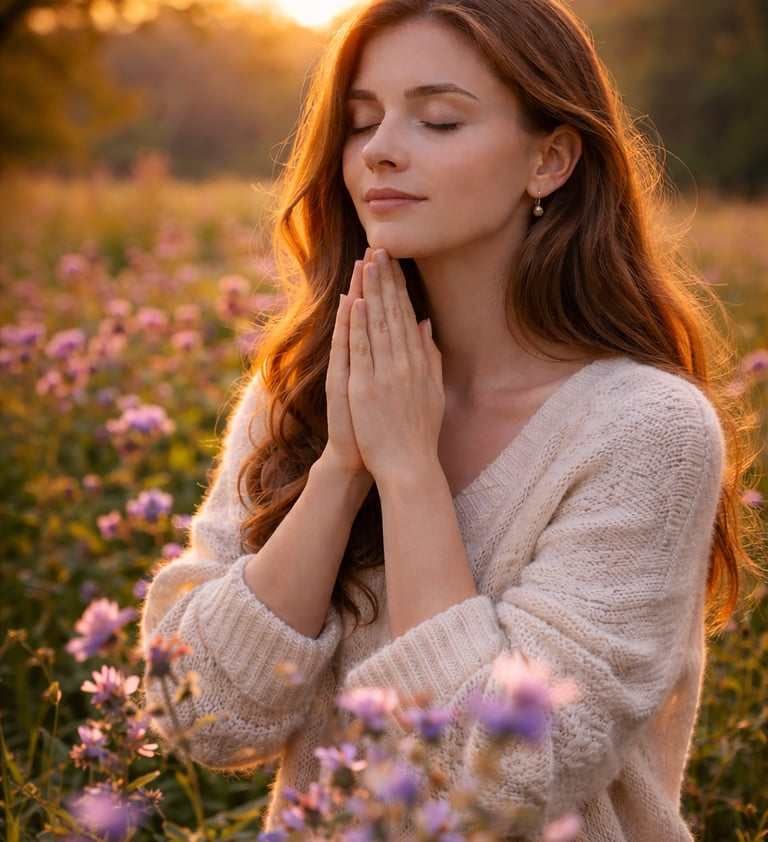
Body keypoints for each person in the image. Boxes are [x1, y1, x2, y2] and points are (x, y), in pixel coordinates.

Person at [141, 0, 756, 838]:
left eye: (438, 118)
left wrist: (407, 472)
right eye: (362, 121)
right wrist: (341, 466)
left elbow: (507, 776)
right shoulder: (305, 384)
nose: (380, 149)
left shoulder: (645, 429)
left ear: (551, 159)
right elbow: (195, 716)